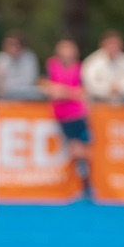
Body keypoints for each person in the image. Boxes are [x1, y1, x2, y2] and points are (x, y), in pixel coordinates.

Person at [41, 38, 90, 187]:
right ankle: (83, 180)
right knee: (76, 149)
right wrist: (70, 93)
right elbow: (44, 85)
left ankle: (85, 179)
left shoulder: (80, 68)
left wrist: (62, 92)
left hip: (78, 114)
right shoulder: (51, 65)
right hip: (62, 115)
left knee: (81, 149)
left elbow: (83, 92)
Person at [81, 30, 124, 101]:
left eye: (116, 44)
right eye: (110, 43)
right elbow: (89, 84)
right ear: (102, 44)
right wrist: (107, 89)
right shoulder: (92, 61)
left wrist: (120, 88)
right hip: (98, 102)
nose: (113, 46)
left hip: (123, 102)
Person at [0, 31, 39, 97]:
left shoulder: (29, 58)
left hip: (24, 100)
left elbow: (29, 81)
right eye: (8, 44)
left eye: (14, 44)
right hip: (3, 100)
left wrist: (7, 86)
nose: (11, 47)